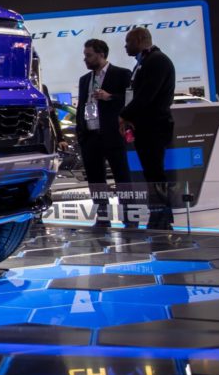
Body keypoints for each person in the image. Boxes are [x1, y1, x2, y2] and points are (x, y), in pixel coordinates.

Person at [120, 27, 176, 230]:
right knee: (151, 172)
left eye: (128, 41)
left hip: (155, 126)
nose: (125, 46)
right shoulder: (146, 62)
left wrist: (124, 115)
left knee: (155, 172)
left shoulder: (157, 61)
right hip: (147, 126)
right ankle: (158, 214)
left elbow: (146, 95)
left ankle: (162, 216)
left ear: (140, 40)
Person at [75, 38, 133, 227]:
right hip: (90, 136)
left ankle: (129, 217)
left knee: (122, 177)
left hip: (113, 134)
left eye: (89, 55)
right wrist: (81, 133)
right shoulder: (84, 79)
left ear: (101, 54)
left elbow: (131, 100)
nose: (85, 59)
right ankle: (102, 217)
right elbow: (81, 107)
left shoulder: (121, 74)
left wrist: (110, 97)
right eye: (85, 55)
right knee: (95, 180)